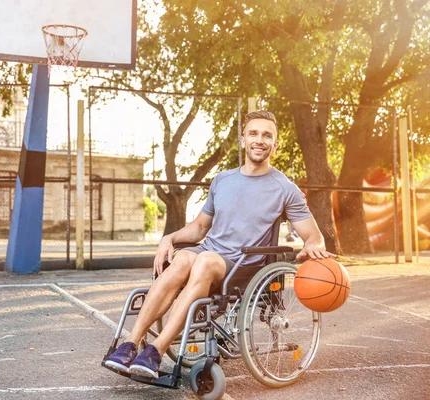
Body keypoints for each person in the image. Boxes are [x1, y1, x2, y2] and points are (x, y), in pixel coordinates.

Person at [105, 110, 336, 379]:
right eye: (253, 133)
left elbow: (314, 235)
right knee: (182, 259)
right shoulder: (222, 180)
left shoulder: (285, 188)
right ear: (243, 140)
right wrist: (169, 238)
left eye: (266, 135)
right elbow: (200, 227)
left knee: (203, 260)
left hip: (243, 265)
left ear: (275, 144)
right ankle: (131, 344)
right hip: (208, 254)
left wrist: (311, 245)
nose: (259, 140)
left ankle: (156, 350)